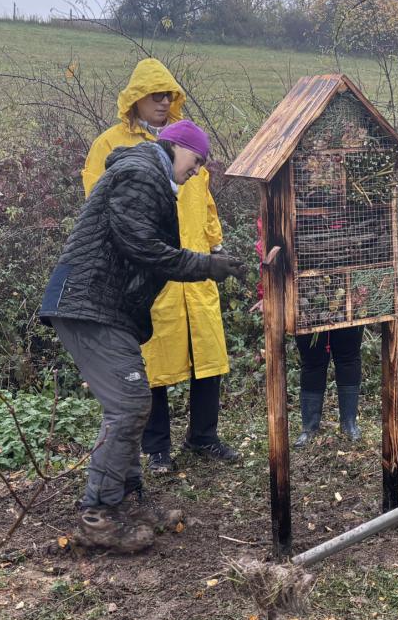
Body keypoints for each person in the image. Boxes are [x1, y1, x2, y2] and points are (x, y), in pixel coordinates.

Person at [40, 119, 247, 552]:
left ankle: (128, 500)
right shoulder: (141, 172)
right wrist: (206, 266)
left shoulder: (147, 173)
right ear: (176, 147)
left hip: (104, 305)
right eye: (196, 160)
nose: (197, 170)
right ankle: (97, 515)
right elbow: (141, 246)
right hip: (87, 303)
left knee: (132, 403)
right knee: (129, 405)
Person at [82, 59, 239, 476]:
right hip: (150, 268)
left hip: (197, 266)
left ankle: (204, 436)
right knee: (154, 360)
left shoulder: (188, 141)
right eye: (156, 95)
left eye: (169, 95)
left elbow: (205, 200)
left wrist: (215, 243)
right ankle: (157, 448)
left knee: (208, 354)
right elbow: (100, 203)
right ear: (136, 98)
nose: (164, 102)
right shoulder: (111, 144)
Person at [252, 217, 366, 446]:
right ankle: (309, 427)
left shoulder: (350, 211)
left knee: (348, 356)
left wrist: (363, 288)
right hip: (306, 292)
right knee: (312, 359)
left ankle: (349, 423)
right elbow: (269, 249)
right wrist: (267, 294)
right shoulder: (287, 206)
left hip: (348, 287)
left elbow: (369, 248)